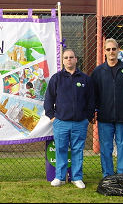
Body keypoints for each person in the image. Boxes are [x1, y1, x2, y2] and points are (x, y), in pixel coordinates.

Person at [44, 48, 95, 189]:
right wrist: (52, 116)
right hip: (61, 122)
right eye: (66, 57)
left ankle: (76, 177)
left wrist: (87, 118)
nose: (69, 60)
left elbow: (91, 101)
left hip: (80, 123)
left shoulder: (85, 79)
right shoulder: (56, 78)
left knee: (78, 150)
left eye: (71, 57)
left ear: (76, 59)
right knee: (60, 149)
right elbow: (49, 99)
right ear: (63, 60)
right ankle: (59, 177)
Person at [91, 38, 123, 178]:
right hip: (105, 118)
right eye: (108, 49)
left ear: (118, 49)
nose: (111, 52)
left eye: (113, 49)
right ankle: (107, 176)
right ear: (104, 52)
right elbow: (93, 95)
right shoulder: (98, 71)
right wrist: (94, 112)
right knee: (106, 149)